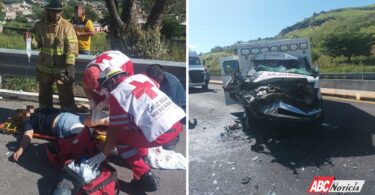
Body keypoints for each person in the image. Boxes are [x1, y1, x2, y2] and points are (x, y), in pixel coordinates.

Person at [85, 67, 185, 192]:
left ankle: (145, 176)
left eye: (107, 87)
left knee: (120, 139)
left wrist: (103, 154)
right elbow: (156, 87)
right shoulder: (142, 77)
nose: (107, 91)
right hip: (176, 124)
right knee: (132, 126)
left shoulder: (117, 95)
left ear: (111, 82)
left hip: (161, 134)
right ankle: (143, 157)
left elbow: (113, 131)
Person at [24, 0, 78, 112]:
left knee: (66, 93)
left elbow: (72, 47)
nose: (56, 14)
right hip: (44, 67)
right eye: (53, 12)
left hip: (62, 67)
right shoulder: (39, 25)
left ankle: (68, 115)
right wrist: (29, 39)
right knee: (44, 93)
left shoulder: (67, 26)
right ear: (47, 11)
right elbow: (37, 44)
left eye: (58, 12)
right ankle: (44, 115)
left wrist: (70, 65)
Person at [9, 106, 108, 162]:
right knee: (96, 123)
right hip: (70, 116)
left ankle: (109, 144)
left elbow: (28, 134)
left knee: (87, 136)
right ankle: (116, 122)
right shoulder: (38, 110)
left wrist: (20, 149)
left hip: (62, 123)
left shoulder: (27, 121)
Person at [83, 50, 134, 126]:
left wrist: (106, 108)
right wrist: (92, 102)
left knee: (120, 100)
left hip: (123, 62)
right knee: (98, 102)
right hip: (106, 66)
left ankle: (120, 118)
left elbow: (116, 92)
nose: (97, 90)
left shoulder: (114, 70)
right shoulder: (88, 71)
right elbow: (85, 87)